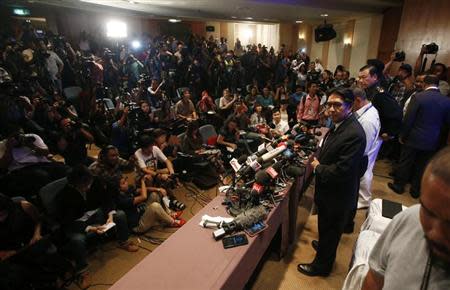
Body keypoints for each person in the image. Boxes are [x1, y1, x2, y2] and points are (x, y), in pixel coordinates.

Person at [297, 88, 366, 277]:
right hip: (331, 192)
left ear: (350, 106)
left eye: (337, 105)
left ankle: (322, 266)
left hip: (338, 195)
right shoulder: (340, 125)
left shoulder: (354, 133)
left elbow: (343, 170)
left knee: (330, 230)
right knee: (327, 228)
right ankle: (325, 247)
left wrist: (318, 168)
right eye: (329, 104)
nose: (332, 109)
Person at [362, 147, 450, 290]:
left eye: (449, 224)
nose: (435, 233)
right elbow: (375, 277)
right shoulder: (409, 220)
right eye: (428, 212)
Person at [55, 165, 138, 289]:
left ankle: (123, 241)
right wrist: (89, 228)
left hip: (96, 213)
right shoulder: (63, 196)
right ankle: (82, 271)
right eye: (83, 186)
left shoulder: (95, 181)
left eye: (89, 183)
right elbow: (67, 222)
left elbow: (106, 199)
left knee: (119, 215)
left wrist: (110, 214)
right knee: (77, 240)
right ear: (74, 184)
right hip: (78, 223)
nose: (88, 187)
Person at [388, 75, 450, 198]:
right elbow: (446, 123)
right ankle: (416, 190)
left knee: (406, 161)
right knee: (422, 164)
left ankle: (399, 185)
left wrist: (402, 135)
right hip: (433, 139)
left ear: (425, 84)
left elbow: (409, 119)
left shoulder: (418, 97)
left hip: (413, 137)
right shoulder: (446, 100)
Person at [0, 128, 68, 197]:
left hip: (43, 163)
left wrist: (31, 146)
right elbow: (3, 166)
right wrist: (9, 148)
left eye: (21, 134)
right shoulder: (2, 145)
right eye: (16, 136)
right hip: (22, 169)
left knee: (65, 170)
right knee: (41, 176)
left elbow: (46, 153)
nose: (20, 138)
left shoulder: (32, 137)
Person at [115, 175, 185, 233]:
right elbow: (143, 196)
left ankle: (169, 214)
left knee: (154, 195)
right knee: (155, 206)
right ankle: (172, 222)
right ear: (118, 189)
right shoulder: (121, 200)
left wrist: (158, 189)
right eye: (123, 183)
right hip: (138, 226)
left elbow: (144, 189)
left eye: (125, 181)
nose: (127, 183)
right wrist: (142, 181)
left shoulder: (128, 189)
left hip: (141, 214)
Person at [352, 88, 381, 210]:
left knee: (365, 172)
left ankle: (364, 200)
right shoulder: (368, 110)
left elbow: (364, 146)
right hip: (369, 148)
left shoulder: (368, 120)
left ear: (358, 100)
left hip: (365, 152)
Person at [134, 134, 175, 210]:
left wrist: (172, 173)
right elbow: (144, 170)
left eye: (151, 146)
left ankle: (169, 197)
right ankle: (152, 194)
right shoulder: (137, 153)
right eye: (148, 148)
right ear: (142, 148)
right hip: (142, 176)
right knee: (148, 177)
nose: (151, 149)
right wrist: (160, 176)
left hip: (154, 172)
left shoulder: (155, 148)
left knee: (167, 170)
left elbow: (167, 161)